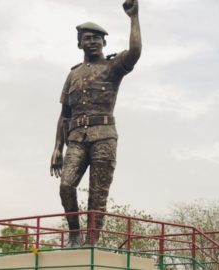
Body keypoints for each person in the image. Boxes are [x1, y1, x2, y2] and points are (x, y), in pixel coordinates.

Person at [50, 0, 142, 247]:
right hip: (76, 138)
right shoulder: (73, 74)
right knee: (66, 185)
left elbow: (135, 53)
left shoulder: (112, 67)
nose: (91, 41)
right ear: (79, 43)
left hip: (104, 135)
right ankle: (74, 235)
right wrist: (57, 147)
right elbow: (64, 113)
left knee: (97, 196)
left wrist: (134, 18)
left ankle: (91, 242)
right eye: (86, 38)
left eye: (97, 38)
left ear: (104, 43)